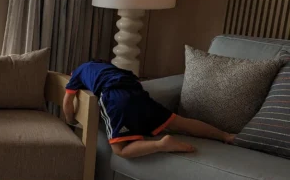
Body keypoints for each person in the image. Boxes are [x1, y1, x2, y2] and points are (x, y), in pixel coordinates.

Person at [62, 60, 236, 159]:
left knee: (120, 150)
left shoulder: (77, 73)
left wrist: (70, 121)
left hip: (115, 97)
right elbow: (135, 79)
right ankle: (225, 135)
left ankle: (161, 145)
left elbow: (67, 101)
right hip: (138, 93)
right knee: (180, 122)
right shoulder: (110, 68)